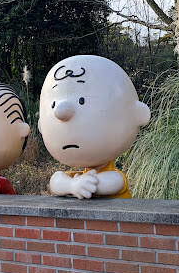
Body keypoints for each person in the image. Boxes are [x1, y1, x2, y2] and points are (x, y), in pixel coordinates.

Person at [38, 55, 150, 199]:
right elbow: (55, 181)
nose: (59, 112)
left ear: (138, 114)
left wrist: (77, 185)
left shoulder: (115, 177)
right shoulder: (79, 177)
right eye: (53, 105)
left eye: (82, 101)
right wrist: (73, 185)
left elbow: (108, 183)